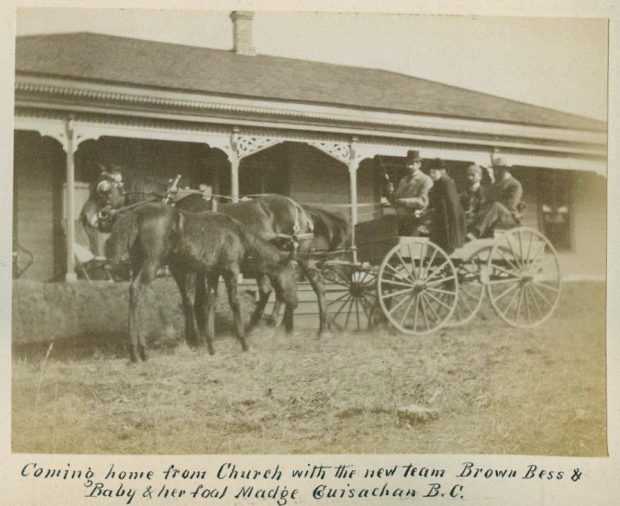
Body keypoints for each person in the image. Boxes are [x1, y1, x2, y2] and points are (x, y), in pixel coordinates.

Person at [468, 158, 523, 239]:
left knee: (496, 205)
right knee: (479, 211)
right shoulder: (495, 184)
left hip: (509, 217)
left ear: (504, 170)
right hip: (494, 215)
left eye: (496, 170)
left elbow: (511, 205)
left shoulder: (515, 184)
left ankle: (477, 232)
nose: (493, 172)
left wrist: (493, 205)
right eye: (493, 169)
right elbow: (488, 200)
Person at [388, 150, 433, 235]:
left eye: (411, 164)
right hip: (400, 219)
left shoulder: (425, 180)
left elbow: (422, 202)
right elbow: (394, 200)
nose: (408, 166)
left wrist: (402, 201)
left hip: (416, 221)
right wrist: (390, 192)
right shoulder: (403, 180)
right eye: (407, 163)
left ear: (419, 164)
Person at [428, 159, 466, 254]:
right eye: (430, 172)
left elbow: (453, 204)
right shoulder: (437, 183)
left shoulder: (447, 182)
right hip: (442, 216)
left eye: (434, 172)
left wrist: (453, 229)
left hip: (450, 218)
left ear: (442, 171)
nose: (431, 175)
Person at [460, 163, 489, 231]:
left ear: (480, 177)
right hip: (464, 218)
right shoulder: (464, 190)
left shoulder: (484, 192)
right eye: (468, 175)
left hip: (477, 220)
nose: (470, 177)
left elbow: (484, 208)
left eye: (473, 175)